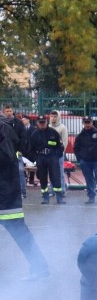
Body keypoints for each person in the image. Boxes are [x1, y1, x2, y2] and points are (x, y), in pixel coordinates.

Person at [0, 118, 50, 280]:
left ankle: (40, 268)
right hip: (6, 189)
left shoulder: (3, 129)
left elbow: (6, 159)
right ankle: (39, 267)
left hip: (6, 193)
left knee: (19, 231)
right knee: (20, 232)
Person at [30, 114, 66, 204]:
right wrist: (36, 159)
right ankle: (45, 197)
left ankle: (59, 198)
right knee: (42, 178)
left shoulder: (53, 132)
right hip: (41, 158)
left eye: (44, 122)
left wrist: (56, 156)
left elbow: (60, 146)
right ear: (37, 123)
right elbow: (31, 149)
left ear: (46, 122)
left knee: (56, 177)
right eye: (40, 123)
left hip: (52, 158)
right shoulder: (34, 134)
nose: (42, 124)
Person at [74, 116, 97, 204]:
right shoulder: (80, 136)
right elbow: (76, 148)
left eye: (88, 122)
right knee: (89, 179)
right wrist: (80, 159)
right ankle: (91, 197)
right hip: (85, 161)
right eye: (85, 123)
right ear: (83, 123)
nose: (87, 124)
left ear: (92, 122)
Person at [48, 110, 69, 196]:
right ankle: (52, 190)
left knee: (60, 172)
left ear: (58, 117)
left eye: (55, 116)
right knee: (51, 172)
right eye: (52, 116)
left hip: (58, 154)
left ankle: (62, 190)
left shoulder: (62, 128)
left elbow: (65, 141)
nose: (53, 118)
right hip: (49, 154)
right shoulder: (48, 127)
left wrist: (61, 152)